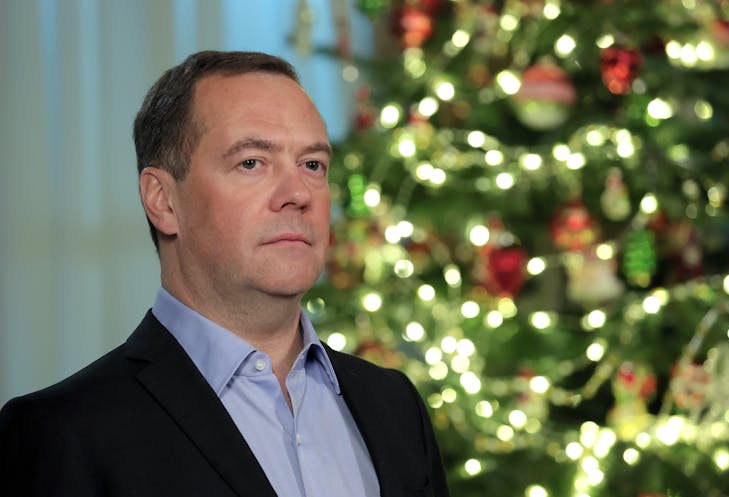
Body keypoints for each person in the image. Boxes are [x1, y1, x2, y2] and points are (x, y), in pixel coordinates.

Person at [0, 50, 449, 497]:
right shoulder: (63, 432)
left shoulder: (395, 406)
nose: (297, 193)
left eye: (312, 165)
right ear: (163, 200)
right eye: (251, 162)